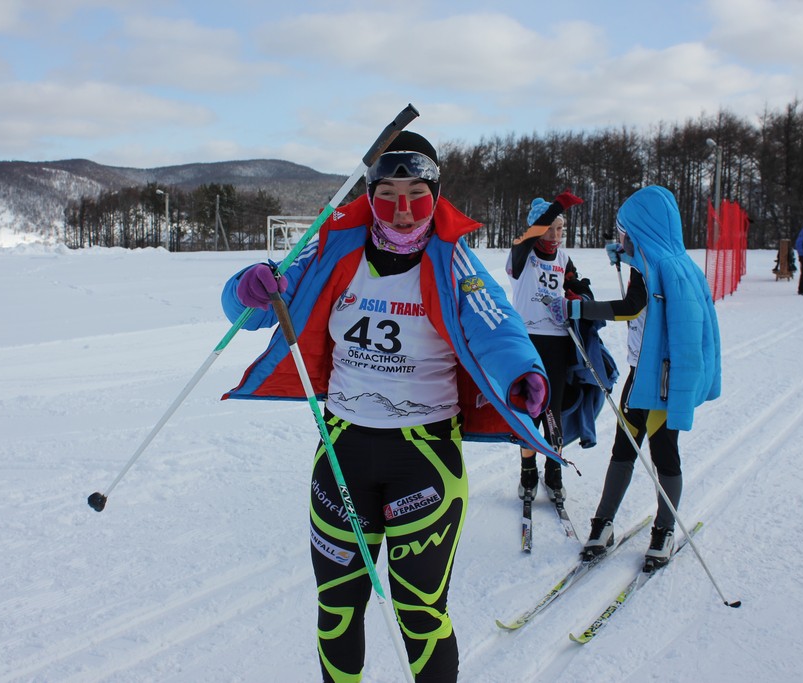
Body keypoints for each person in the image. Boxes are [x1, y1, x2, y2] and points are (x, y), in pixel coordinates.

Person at [220, 131, 558, 682]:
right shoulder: (333, 249)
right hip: (342, 451)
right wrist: (248, 286)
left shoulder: (455, 262)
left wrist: (525, 374)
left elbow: (498, 326)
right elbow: (250, 306)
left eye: (417, 195)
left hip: (423, 459)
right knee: (336, 611)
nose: (403, 212)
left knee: (420, 615)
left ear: (436, 196)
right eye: (388, 195)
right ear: (369, 197)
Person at [562, 185, 721, 568]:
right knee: (625, 445)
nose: (619, 239)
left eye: (624, 233)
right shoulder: (668, 263)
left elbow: (633, 307)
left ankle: (664, 528)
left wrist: (581, 310)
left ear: (642, 230)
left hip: (661, 381)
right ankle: (603, 523)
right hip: (642, 374)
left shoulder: (660, 270)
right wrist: (627, 257)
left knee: (661, 451)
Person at [504, 189, 585, 503]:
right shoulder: (522, 252)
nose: (555, 233)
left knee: (554, 411)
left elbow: (579, 287)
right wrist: (557, 206)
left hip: (558, 342)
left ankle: (554, 470)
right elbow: (533, 232)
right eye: (550, 226)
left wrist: (577, 299)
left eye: (561, 227)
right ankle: (527, 470)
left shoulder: (564, 258)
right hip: (527, 341)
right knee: (529, 408)